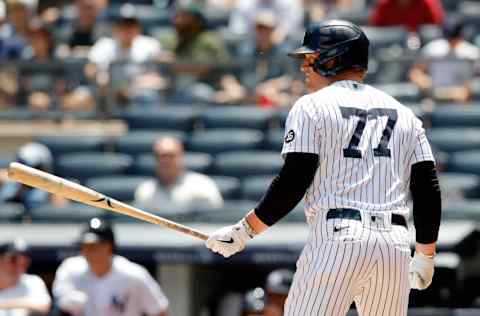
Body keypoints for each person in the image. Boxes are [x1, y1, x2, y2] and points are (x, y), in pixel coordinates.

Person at [205, 20, 442, 316]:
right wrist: (425, 253)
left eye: (311, 58)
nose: (305, 67)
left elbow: (293, 181)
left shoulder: (312, 106)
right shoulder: (405, 113)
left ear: (334, 58)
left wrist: (245, 231)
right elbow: (427, 188)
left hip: (338, 238)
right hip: (393, 244)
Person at [52, 217, 169, 316]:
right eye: (85, 245)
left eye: (95, 245)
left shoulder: (134, 274)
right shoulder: (70, 269)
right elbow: (60, 304)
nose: (89, 250)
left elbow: (159, 310)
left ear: (110, 246)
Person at [134, 136, 223, 213]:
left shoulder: (203, 185)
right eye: (159, 156)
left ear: (181, 156)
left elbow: (215, 220)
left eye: (171, 156)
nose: (165, 161)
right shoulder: (145, 190)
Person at [409, 14, 480, 104]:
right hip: (434, 98)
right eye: (449, 38)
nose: (451, 42)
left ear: (461, 35)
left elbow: (476, 81)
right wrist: (426, 84)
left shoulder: (472, 53)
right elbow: (415, 73)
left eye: (454, 37)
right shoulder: (432, 50)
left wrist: (468, 89)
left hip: (463, 101)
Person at [0, 142, 67, 210]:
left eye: (35, 168)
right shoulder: (9, 183)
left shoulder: (54, 189)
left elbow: (60, 211)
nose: (27, 174)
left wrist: (55, 191)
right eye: (22, 168)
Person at [0, 238, 52, 315]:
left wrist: (4, 304)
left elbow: (44, 306)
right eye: (13, 259)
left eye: (25, 259)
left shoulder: (33, 281)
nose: (20, 263)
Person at [369, 0, 444, 32]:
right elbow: (376, 31)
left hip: (423, 50)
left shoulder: (427, 3)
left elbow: (437, 28)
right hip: (391, 51)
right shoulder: (385, 4)